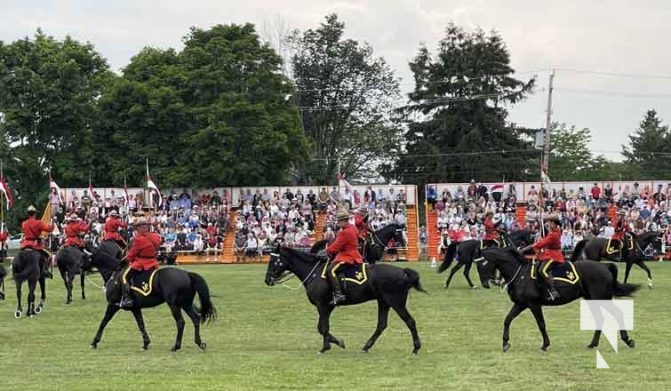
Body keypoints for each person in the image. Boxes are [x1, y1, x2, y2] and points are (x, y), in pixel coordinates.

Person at [119, 218, 162, 309]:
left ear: (139, 228)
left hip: (142, 263)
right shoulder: (156, 236)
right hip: (154, 262)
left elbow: (132, 254)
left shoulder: (139, 239)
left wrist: (124, 261)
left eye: (137, 227)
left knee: (124, 276)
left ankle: (127, 299)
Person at [323, 210, 363, 305]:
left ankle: (338, 294)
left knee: (330, 270)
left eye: (339, 221)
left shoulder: (344, 232)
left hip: (347, 257)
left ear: (344, 221)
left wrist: (326, 251)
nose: (338, 223)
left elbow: (336, 246)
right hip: (355, 254)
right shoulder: (353, 227)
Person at [522, 213, 563, 301]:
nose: (548, 223)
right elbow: (546, 231)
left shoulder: (554, 234)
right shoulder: (555, 230)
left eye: (550, 222)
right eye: (548, 222)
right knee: (537, 266)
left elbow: (541, 243)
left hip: (554, 256)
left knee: (542, 270)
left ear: (554, 223)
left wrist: (525, 249)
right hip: (549, 253)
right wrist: (540, 222)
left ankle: (553, 290)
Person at [20, 205, 55, 279]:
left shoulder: (24, 223)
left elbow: (25, 233)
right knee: (48, 256)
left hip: (25, 244)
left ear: (28, 214)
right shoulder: (38, 223)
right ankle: (45, 270)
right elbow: (49, 229)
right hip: (35, 244)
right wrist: (53, 222)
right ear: (35, 214)